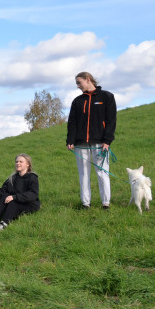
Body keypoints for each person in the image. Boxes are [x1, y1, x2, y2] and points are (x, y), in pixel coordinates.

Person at [66, 71, 117, 209]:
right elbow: (72, 123)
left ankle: (105, 203)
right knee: (83, 174)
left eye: (79, 82)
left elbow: (111, 121)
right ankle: (85, 203)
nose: (78, 86)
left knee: (102, 172)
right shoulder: (77, 101)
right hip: (80, 144)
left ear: (88, 79)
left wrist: (107, 141)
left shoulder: (107, 97)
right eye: (77, 83)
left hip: (100, 143)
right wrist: (70, 140)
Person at [0, 154, 40, 230]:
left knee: (13, 201)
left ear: (28, 164)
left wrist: (14, 197)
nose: (18, 163)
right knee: (5, 196)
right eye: (16, 162)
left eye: (21, 162)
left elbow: (33, 194)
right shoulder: (13, 177)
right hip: (16, 200)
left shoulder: (32, 177)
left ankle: (3, 224)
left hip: (29, 204)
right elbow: (4, 189)